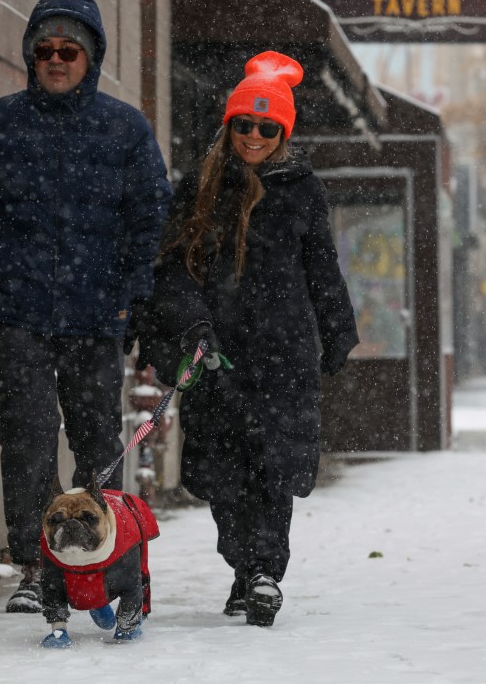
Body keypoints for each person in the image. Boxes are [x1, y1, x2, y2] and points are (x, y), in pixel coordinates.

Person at [0, 0, 172, 614]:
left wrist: (140, 301)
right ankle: (38, 566)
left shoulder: (124, 129)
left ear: (90, 58)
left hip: (98, 316)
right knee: (29, 439)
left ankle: (104, 559)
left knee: (97, 443)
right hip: (20, 312)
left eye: (69, 51)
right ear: (30, 57)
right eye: (45, 50)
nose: (56, 60)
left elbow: (150, 223)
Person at [136, 51, 359, 627]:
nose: (254, 136)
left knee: (274, 470)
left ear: (282, 132)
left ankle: (264, 572)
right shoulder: (200, 188)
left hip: (284, 354)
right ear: (229, 125)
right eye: (244, 124)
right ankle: (242, 566)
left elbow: (322, 267)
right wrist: (192, 327)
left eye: (267, 127)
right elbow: (174, 269)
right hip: (218, 355)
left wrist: (337, 329)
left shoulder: (303, 190)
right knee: (225, 475)